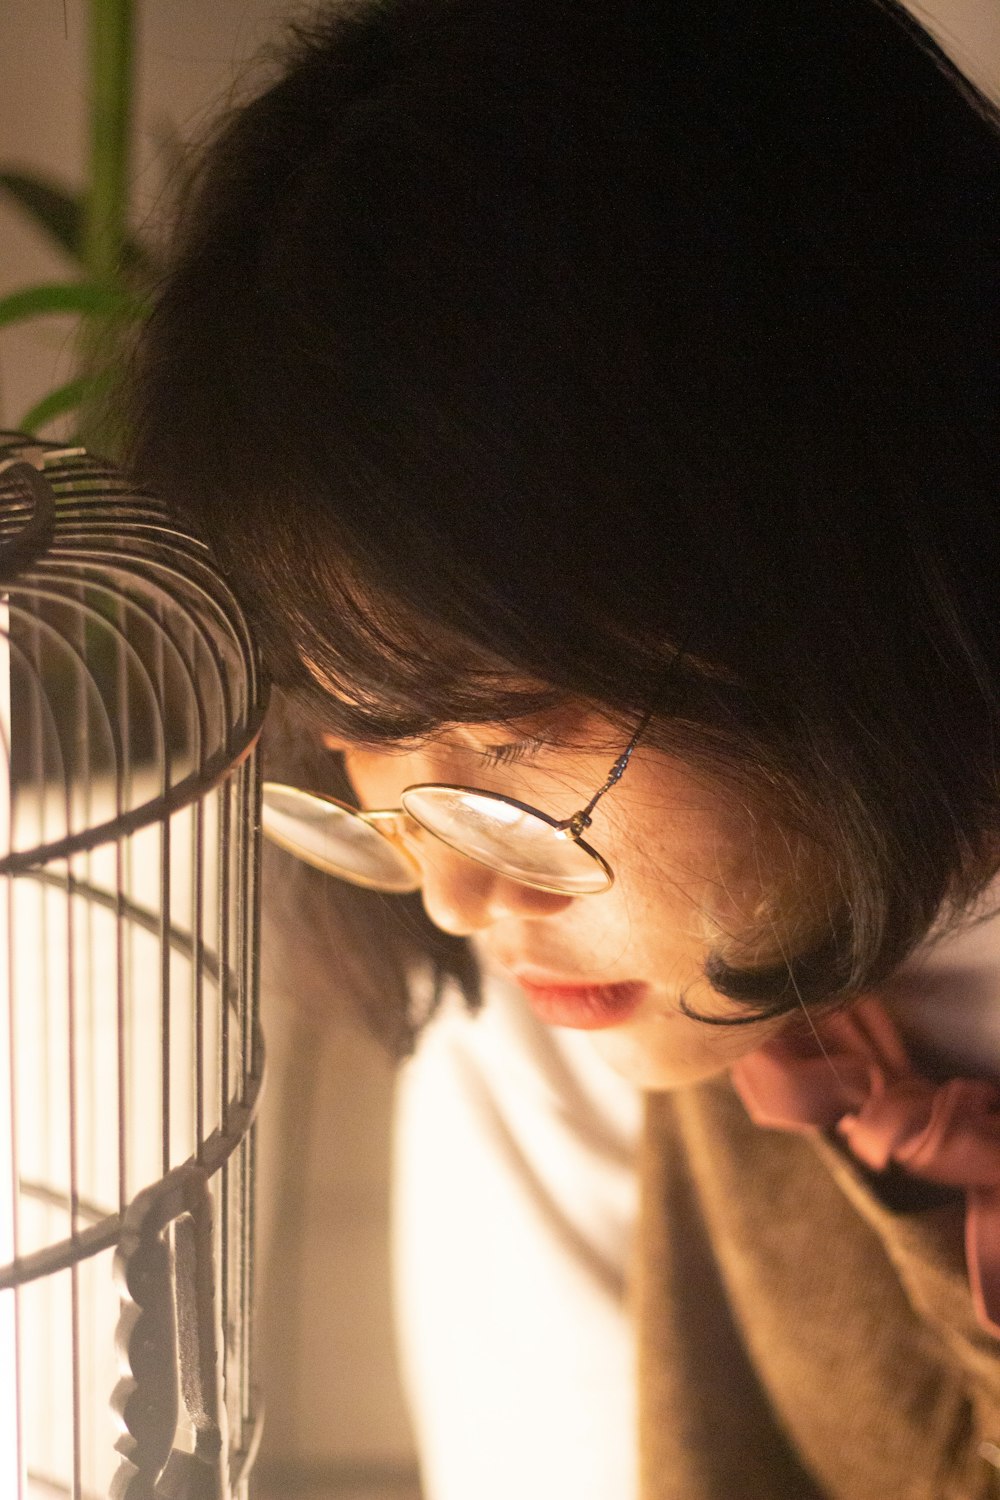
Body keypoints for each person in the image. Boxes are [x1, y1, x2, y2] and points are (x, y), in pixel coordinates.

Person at [125, 0, 1000, 1494]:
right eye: (353, 746)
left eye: (509, 748)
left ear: (838, 550)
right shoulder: (566, 1033)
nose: (459, 897)